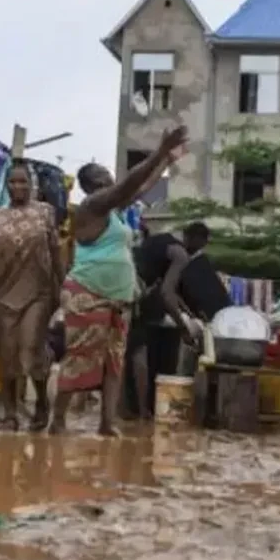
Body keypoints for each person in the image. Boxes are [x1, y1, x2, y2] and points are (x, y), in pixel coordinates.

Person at [51, 125, 189, 436]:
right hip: (88, 292)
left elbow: (138, 188)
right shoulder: (92, 207)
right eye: (102, 179)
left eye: (109, 177)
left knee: (114, 362)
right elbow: (130, 184)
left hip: (118, 298)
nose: (109, 181)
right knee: (80, 360)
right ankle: (57, 420)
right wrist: (158, 152)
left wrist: (166, 160)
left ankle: (106, 424)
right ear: (90, 186)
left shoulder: (113, 213)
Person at [0, 163, 65, 431]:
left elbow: (56, 254)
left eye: (23, 181)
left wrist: (65, 289)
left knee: (30, 348)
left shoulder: (45, 213)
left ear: (32, 184)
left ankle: (41, 401)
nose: (18, 187)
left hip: (38, 293)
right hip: (3, 294)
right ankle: (10, 414)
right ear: (6, 185)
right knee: (5, 356)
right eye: (13, 182)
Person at [127, 221, 210, 419]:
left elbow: (168, 289)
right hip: (133, 294)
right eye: (198, 247)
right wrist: (184, 329)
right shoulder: (180, 254)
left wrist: (189, 313)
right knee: (139, 354)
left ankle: (126, 411)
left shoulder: (161, 240)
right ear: (193, 239)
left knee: (125, 353)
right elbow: (166, 294)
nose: (195, 253)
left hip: (124, 285)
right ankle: (143, 413)